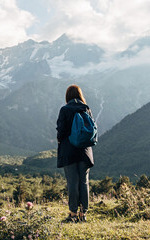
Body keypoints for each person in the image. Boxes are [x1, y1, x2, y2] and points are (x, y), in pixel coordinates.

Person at [56, 84, 94, 222]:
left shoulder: (65, 110)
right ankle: (83, 214)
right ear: (80, 95)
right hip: (85, 151)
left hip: (69, 150)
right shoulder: (86, 108)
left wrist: (61, 140)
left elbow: (61, 131)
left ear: (68, 96)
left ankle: (73, 213)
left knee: (72, 182)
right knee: (84, 182)